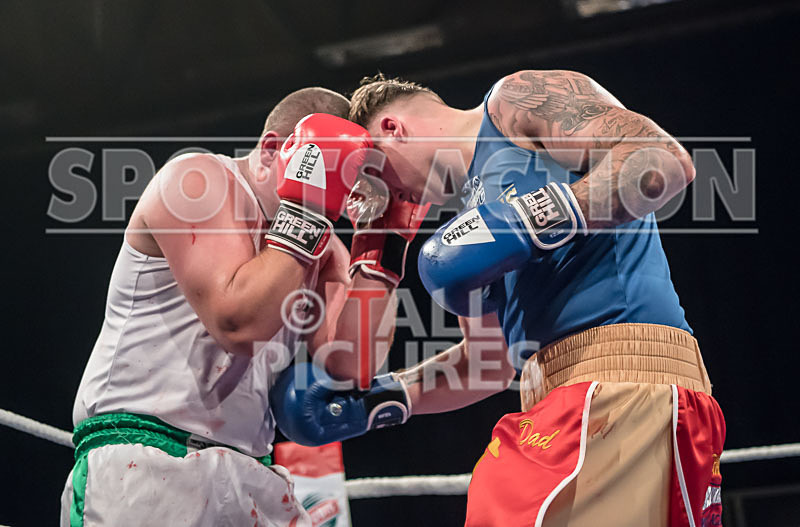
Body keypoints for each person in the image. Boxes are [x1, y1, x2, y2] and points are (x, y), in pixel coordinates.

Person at [272, 73, 725, 526]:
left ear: (392, 129)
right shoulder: (471, 224)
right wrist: (384, 399)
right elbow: (486, 365)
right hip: (566, 402)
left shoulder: (513, 103)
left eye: (374, 175)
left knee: (498, 500)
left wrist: (533, 219)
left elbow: (661, 161)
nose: (384, 198)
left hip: (621, 384)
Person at [59, 87, 427, 527]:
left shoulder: (323, 244)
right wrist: (308, 210)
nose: (345, 197)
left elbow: (351, 363)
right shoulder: (199, 181)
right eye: (339, 172)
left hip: (251, 470)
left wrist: (379, 252)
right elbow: (237, 322)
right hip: (147, 458)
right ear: (274, 149)